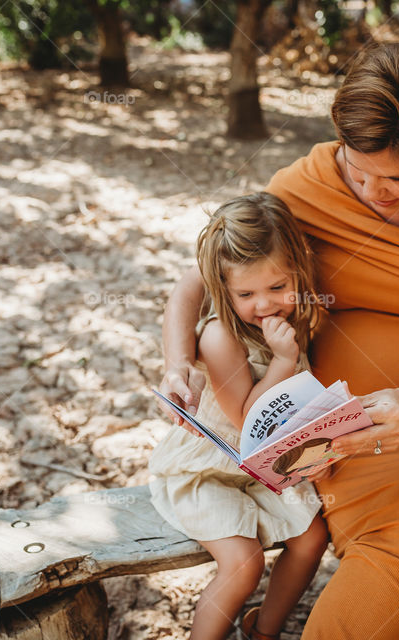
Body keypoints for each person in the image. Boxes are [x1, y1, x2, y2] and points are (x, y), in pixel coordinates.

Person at [160, 41, 399, 639]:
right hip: (320, 443)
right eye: (356, 167)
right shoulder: (312, 183)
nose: (370, 190)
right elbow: (199, 281)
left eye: (395, 176)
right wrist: (177, 364)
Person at [148, 192, 329, 640]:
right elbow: (250, 421)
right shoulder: (220, 337)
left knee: (312, 539)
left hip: (262, 466)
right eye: (245, 294)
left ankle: (264, 630)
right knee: (243, 563)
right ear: (223, 289)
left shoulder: (294, 318)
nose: (264, 304)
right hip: (207, 470)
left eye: (276, 288)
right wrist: (285, 361)